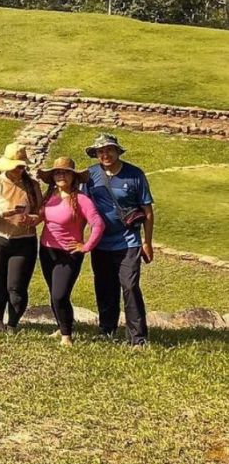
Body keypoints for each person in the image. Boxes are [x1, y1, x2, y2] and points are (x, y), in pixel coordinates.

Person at [83, 134, 154, 346]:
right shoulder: (90, 175)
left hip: (128, 241)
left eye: (108, 150)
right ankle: (107, 329)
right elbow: (82, 206)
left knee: (130, 287)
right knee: (104, 286)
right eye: (100, 151)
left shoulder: (134, 175)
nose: (105, 154)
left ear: (117, 151)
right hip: (101, 242)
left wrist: (147, 242)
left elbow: (148, 212)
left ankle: (137, 337)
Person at [37, 157, 105, 346]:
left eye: (65, 172)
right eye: (57, 172)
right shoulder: (49, 196)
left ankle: (67, 335)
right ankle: (61, 326)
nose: (61, 175)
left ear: (73, 177)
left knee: (60, 294)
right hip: (46, 250)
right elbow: (42, 218)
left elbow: (98, 224)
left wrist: (86, 246)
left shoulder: (81, 200)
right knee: (53, 293)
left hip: (68, 254)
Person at [0, 143, 42, 332]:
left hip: (24, 240)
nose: (19, 170)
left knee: (17, 287)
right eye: (16, 166)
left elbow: (40, 211)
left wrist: (34, 219)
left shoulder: (32, 185)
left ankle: (13, 323)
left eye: (22, 166)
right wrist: (1, 214)